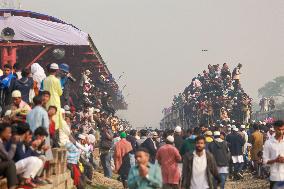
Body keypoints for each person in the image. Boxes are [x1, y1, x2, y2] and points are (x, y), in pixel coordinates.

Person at [263, 120, 284, 189]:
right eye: (279, 130)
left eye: (282, 129)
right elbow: (265, 162)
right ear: (274, 128)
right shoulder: (268, 143)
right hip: (275, 177)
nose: (281, 132)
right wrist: (275, 160)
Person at [42, 63, 63, 130]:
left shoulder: (45, 79)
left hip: (47, 100)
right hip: (55, 100)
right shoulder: (57, 80)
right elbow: (60, 93)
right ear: (56, 71)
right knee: (55, 116)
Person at [0, 123, 18, 189]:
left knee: (10, 165)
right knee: (10, 163)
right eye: (8, 133)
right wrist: (14, 144)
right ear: (2, 132)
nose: (10, 135)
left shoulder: (3, 141)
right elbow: (8, 157)